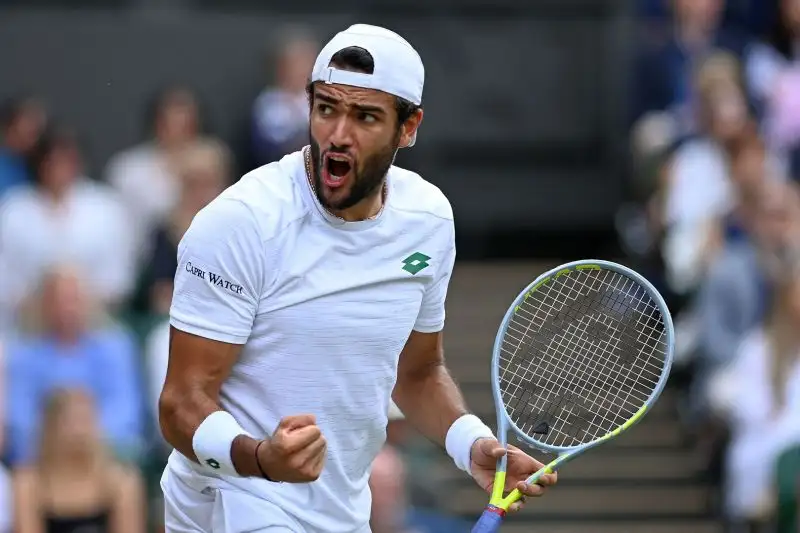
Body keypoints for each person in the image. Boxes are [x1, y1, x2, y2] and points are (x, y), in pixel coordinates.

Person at [158, 23, 557, 533]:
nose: (338, 135)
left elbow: (416, 373)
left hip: (341, 511)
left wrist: (471, 445)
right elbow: (181, 402)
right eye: (326, 108)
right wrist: (260, 457)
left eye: (365, 116)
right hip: (233, 497)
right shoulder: (241, 221)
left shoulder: (428, 219)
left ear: (408, 128)